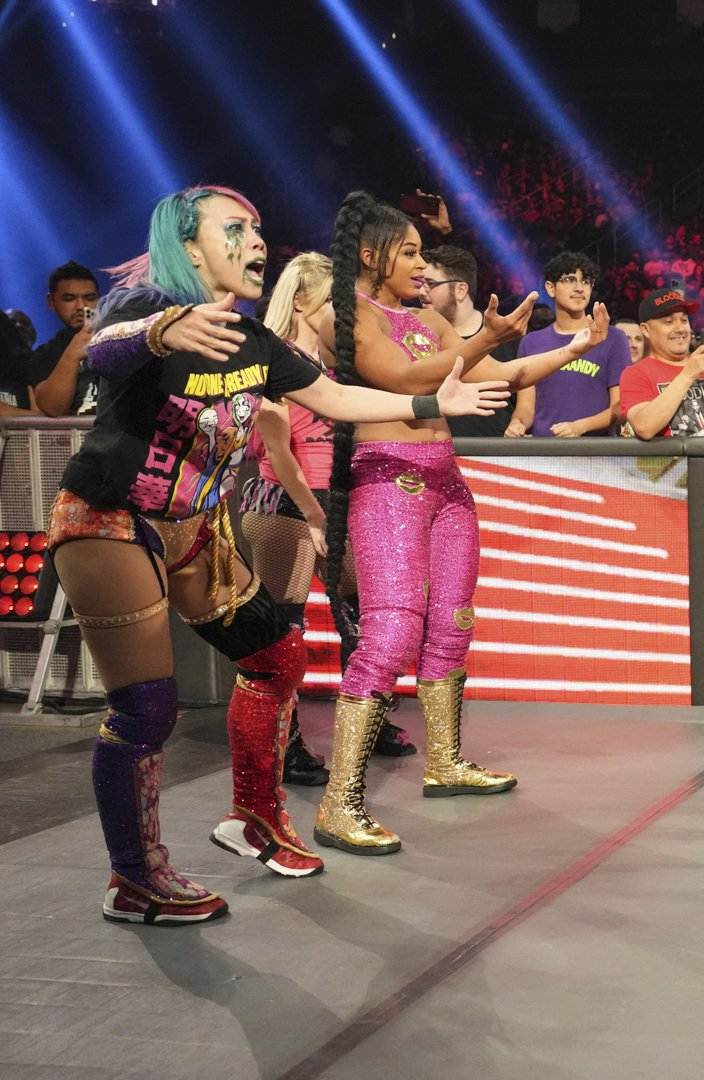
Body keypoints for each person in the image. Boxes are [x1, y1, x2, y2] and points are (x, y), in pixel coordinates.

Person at [53, 185, 506, 922]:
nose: (257, 240)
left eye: (259, 227)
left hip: (199, 528)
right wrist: (164, 330)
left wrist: (431, 405)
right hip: (110, 520)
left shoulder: (256, 342)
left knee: (277, 658)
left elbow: (337, 399)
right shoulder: (144, 310)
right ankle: (133, 878)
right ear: (189, 246)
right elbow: (102, 350)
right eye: (235, 228)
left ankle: (254, 818)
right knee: (146, 708)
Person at [314, 191, 605, 857]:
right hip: (387, 480)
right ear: (370, 255)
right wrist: (483, 341)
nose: (423, 266)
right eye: (411, 253)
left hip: (446, 481)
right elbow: (404, 378)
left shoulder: (427, 317)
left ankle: (444, 763)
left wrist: (574, 348)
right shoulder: (344, 315)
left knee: (452, 624)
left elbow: (506, 373)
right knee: (390, 633)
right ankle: (340, 802)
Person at [236, 253, 339, 787]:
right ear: (302, 301)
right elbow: (278, 453)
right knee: (284, 630)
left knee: (360, 618)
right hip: (285, 502)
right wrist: (314, 513)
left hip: (330, 500)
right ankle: (286, 745)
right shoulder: (275, 359)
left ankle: (370, 726)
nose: (343, 313)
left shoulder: (333, 364)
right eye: (333, 301)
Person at [504, 253, 630, 438]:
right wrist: (517, 423)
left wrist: (580, 427)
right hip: (545, 451)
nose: (579, 288)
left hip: (597, 451)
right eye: (570, 280)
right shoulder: (531, 343)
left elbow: (621, 407)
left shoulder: (612, 338)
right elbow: (526, 408)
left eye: (586, 281)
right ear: (550, 288)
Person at [619, 287, 704, 439]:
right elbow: (644, 427)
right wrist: (687, 375)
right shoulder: (635, 374)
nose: (680, 328)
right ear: (646, 330)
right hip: (673, 455)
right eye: (668, 322)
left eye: (684, 320)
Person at [422, 245, 520, 438]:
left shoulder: (506, 337)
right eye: (419, 283)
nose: (421, 292)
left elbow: (527, 401)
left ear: (460, 290)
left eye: (430, 284)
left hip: (496, 453)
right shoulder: (416, 338)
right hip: (433, 450)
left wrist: (519, 423)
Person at [28, 261, 103, 416]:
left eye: (90, 298)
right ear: (51, 301)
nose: (81, 305)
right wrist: (73, 353)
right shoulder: (45, 354)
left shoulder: (119, 336)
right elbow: (53, 408)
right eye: (69, 298)